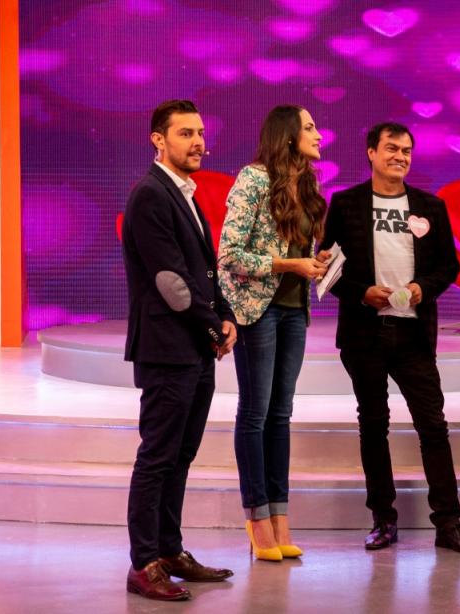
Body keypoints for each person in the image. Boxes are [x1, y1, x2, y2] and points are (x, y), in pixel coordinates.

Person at [321, 122, 460, 555]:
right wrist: (362, 293)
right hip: (364, 334)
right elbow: (328, 269)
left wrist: (420, 289)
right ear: (371, 153)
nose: (400, 156)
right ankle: (383, 519)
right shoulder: (346, 204)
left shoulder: (430, 206)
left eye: (407, 150)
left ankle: (449, 523)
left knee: (433, 426)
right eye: (392, 148)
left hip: (413, 334)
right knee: (373, 425)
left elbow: (449, 266)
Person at [122, 99, 237, 601]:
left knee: (181, 456)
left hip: (193, 348)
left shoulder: (183, 192)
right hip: (167, 348)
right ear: (158, 139)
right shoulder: (151, 193)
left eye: (200, 133)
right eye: (186, 133)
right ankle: (144, 563)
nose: (198, 142)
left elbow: (203, 271)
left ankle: (170, 550)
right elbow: (171, 281)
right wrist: (214, 326)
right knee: (158, 457)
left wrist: (225, 315)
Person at [218, 105, 329, 561]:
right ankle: (257, 518)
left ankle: (280, 516)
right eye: (309, 127)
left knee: (281, 415)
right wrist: (288, 265)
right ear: (287, 135)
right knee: (256, 413)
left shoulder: (308, 184)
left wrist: (316, 264)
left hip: (294, 310)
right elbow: (229, 254)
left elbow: (300, 252)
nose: (319, 134)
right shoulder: (253, 178)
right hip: (257, 311)